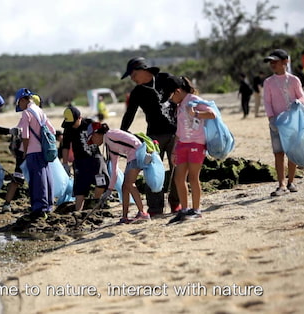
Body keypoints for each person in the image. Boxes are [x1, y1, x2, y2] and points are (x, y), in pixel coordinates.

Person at [120, 57, 179, 216]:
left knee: (178, 170)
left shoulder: (166, 79)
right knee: (152, 171)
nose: (132, 79)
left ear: (141, 70)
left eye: (132, 75)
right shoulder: (137, 92)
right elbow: (129, 114)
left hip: (175, 133)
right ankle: (155, 208)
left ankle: (176, 203)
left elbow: (184, 90)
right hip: (153, 137)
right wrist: (121, 133)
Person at [163, 76, 216, 223]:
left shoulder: (194, 100)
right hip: (182, 144)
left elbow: (212, 114)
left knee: (193, 177)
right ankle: (184, 210)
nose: (170, 99)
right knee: (179, 178)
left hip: (196, 144)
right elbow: (179, 131)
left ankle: (197, 210)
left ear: (178, 91)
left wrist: (196, 114)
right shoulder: (180, 105)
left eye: (170, 95)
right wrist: (174, 149)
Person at [86, 122, 150, 223]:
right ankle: (124, 217)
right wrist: (109, 190)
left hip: (138, 156)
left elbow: (135, 141)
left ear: (96, 134)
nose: (93, 142)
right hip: (131, 158)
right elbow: (114, 169)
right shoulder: (110, 147)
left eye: (92, 139)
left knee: (129, 184)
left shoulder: (111, 134)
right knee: (124, 187)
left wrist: (142, 157)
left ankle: (143, 213)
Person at [263, 49, 304, 196]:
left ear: (285, 62)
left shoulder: (294, 80)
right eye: (271, 62)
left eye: (275, 61)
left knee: (292, 151)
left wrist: (297, 102)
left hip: (292, 122)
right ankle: (281, 184)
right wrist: (271, 119)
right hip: (276, 122)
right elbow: (267, 102)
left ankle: (291, 181)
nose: (272, 64)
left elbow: (302, 97)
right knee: (278, 153)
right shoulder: (268, 82)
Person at [15, 88, 55, 220]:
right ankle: (48, 205)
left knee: (37, 180)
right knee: (46, 176)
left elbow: (25, 136)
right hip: (43, 150)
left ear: (22, 100)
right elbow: (52, 130)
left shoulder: (26, 113)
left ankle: (39, 208)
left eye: (18, 102)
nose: (19, 105)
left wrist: (25, 152)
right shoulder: (40, 111)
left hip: (33, 151)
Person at [61, 106, 109, 211]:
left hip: (95, 158)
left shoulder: (89, 123)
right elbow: (65, 146)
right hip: (80, 161)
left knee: (102, 181)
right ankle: (78, 211)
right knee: (80, 189)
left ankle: (94, 202)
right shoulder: (68, 128)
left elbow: (103, 136)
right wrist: (65, 164)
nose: (72, 125)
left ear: (79, 118)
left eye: (73, 122)